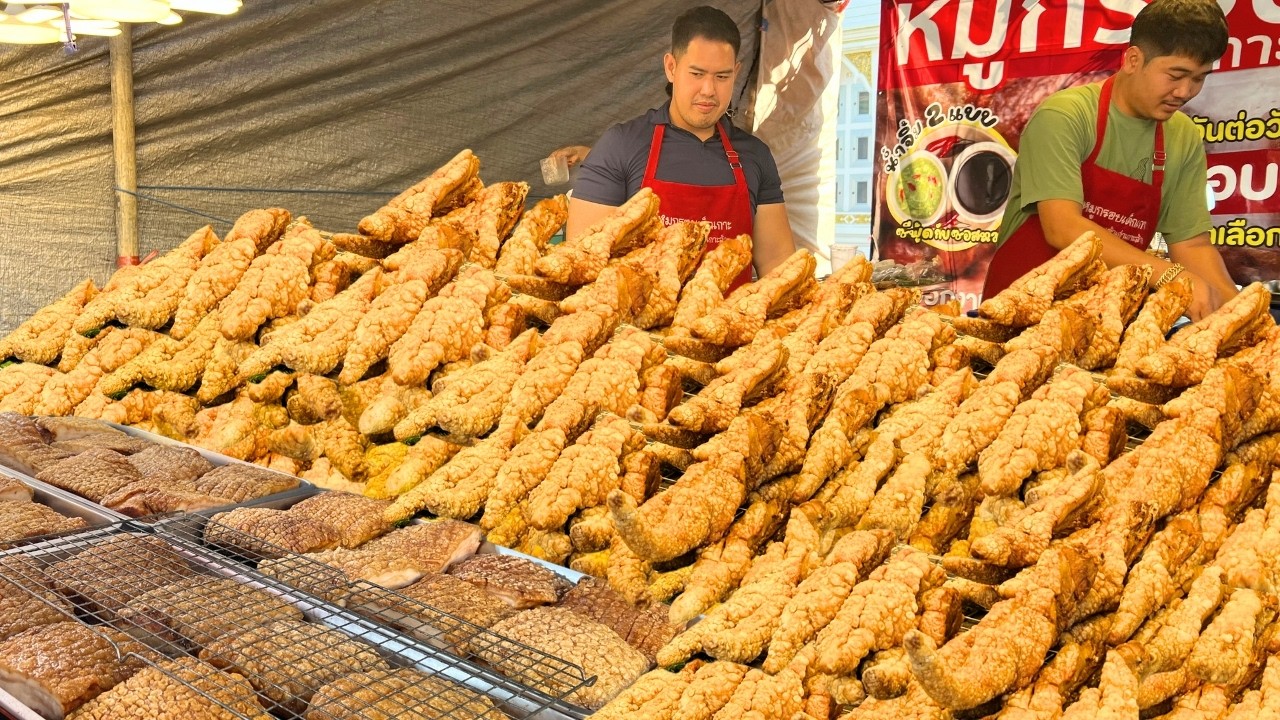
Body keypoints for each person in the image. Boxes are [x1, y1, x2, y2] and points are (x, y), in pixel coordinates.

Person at [986, 0, 1238, 320]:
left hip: (1103, 322)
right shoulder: (1065, 116)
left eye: (1200, 78)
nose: (1186, 91)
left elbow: (1192, 245)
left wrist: (1235, 307)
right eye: (1176, 75)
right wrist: (1167, 274)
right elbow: (1062, 227)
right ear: (1133, 59)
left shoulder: (1183, 137)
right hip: (1018, 313)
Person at [567, 5, 796, 290]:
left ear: (736, 72)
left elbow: (778, 265)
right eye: (697, 74)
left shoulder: (755, 156)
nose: (709, 90)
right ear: (671, 67)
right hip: (637, 331)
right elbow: (581, 264)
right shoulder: (621, 146)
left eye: (722, 76)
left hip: (727, 329)